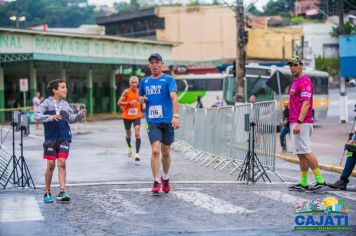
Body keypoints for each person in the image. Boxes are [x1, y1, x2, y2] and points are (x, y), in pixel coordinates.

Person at [35, 79, 86, 203]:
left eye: (66, 87)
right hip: (50, 138)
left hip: (64, 137)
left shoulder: (66, 104)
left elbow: (71, 119)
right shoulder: (46, 103)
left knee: (62, 162)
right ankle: (47, 191)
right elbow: (36, 115)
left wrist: (79, 115)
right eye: (63, 87)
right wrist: (51, 117)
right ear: (55, 90)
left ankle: (62, 191)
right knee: (51, 165)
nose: (66, 89)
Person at [138, 53, 180, 194]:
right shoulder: (144, 82)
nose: (154, 65)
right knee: (155, 150)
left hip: (167, 120)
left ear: (162, 64)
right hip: (152, 120)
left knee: (166, 152)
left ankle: (166, 178)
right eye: (152, 62)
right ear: (149, 65)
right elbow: (140, 97)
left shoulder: (168, 80)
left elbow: (174, 98)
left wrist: (175, 116)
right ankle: (156, 181)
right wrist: (141, 100)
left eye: (157, 62)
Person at [287, 56, 327, 193]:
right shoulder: (296, 82)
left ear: (301, 65)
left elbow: (306, 103)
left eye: (295, 65)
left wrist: (299, 122)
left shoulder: (305, 82)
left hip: (302, 122)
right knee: (301, 153)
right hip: (295, 121)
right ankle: (303, 183)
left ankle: (320, 180)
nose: (292, 67)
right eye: (290, 65)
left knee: (306, 151)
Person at [117, 76, 144, 161]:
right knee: (128, 134)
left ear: (138, 83)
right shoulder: (126, 92)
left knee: (137, 134)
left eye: (136, 82)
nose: (134, 84)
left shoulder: (140, 91)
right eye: (132, 82)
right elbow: (119, 103)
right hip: (127, 116)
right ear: (129, 83)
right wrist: (129, 103)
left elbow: (144, 100)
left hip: (137, 116)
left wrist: (143, 101)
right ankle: (129, 147)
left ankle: (137, 154)